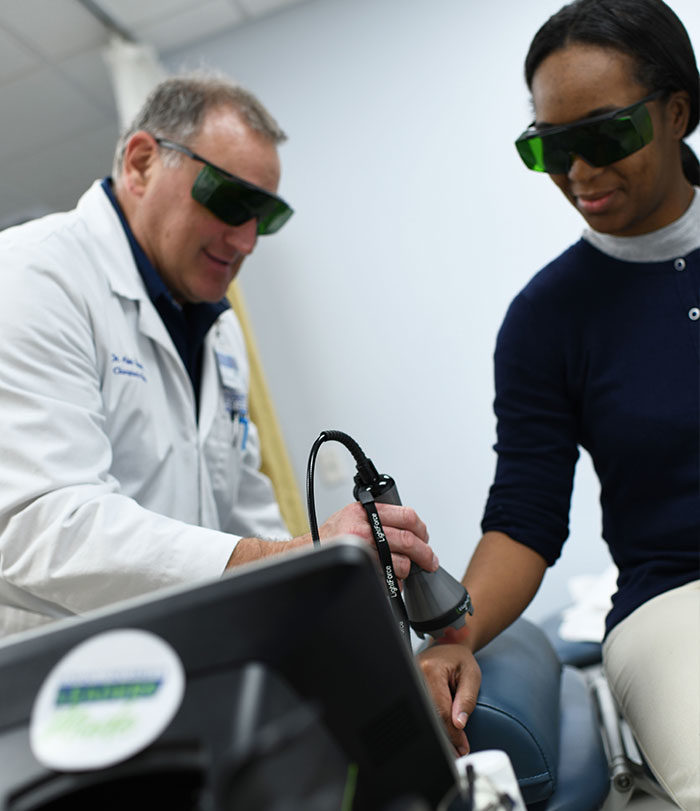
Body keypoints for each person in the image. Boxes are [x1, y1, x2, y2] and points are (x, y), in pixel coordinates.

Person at [0, 73, 437, 639]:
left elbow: (242, 509)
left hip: (189, 650)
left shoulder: (215, 326)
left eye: (266, 217)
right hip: (64, 677)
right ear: (140, 164)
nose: (247, 241)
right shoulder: (31, 277)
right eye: (231, 201)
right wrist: (294, 555)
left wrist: (325, 574)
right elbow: (49, 527)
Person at [418, 1, 700, 807]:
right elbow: (526, 514)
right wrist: (453, 638)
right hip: (676, 599)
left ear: (676, 111)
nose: (576, 173)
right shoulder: (549, 319)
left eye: (603, 137)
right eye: (550, 148)